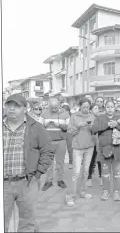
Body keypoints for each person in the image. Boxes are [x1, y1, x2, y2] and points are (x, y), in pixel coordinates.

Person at [3, 94, 54, 232]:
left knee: (27, 222)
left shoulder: (35, 127)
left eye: (17, 106)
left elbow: (48, 150)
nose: (12, 108)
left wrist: (37, 174)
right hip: (3, 184)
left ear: (25, 109)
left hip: (26, 181)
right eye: (9, 105)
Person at [92, 100, 120, 201]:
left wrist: (116, 125)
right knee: (105, 173)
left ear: (115, 108)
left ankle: (116, 191)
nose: (110, 109)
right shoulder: (100, 118)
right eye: (108, 107)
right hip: (104, 150)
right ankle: (106, 191)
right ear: (104, 108)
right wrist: (108, 125)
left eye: (112, 107)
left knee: (117, 173)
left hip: (118, 149)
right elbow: (94, 129)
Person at [66, 98, 96, 207]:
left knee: (85, 171)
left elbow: (95, 132)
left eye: (88, 107)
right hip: (77, 147)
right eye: (84, 107)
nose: (86, 109)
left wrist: (92, 128)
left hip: (89, 147)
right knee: (76, 172)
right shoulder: (74, 116)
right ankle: (70, 196)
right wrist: (77, 127)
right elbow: (69, 131)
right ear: (80, 106)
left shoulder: (92, 116)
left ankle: (83, 192)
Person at [41, 98, 70, 191]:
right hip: (47, 141)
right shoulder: (44, 113)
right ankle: (48, 181)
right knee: (48, 162)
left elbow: (68, 127)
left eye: (55, 107)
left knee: (60, 162)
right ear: (48, 106)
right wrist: (46, 125)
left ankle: (60, 180)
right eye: (51, 108)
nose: (53, 109)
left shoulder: (65, 114)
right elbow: (39, 127)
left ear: (59, 105)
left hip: (61, 141)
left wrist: (59, 125)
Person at [87, 103, 103, 187]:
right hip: (91, 143)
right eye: (95, 108)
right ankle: (89, 178)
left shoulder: (100, 118)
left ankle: (101, 178)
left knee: (100, 160)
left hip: (100, 143)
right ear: (91, 110)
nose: (97, 110)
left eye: (98, 108)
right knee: (91, 161)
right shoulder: (89, 119)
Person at [62, 102, 74, 168]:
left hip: (69, 133)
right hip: (62, 133)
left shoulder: (72, 116)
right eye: (64, 111)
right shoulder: (60, 116)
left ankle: (71, 162)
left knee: (70, 149)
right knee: (62, 149)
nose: (65, 112)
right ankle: (60, 163)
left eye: (66, 110)